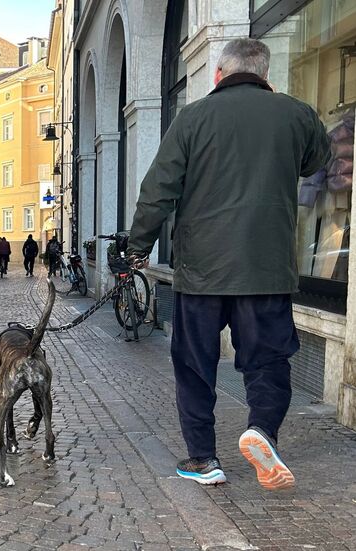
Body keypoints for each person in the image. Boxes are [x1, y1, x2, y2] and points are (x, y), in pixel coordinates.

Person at [125, 38, 330, 490]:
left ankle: (203, 459)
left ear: (218, 74)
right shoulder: (295, 113)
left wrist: (137, 248)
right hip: (266, 268)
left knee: (194, 364)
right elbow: (317, 161)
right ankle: (262, 431)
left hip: (202, 270)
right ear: (265, 74)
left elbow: (157, 190)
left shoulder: (192, 117)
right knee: (268, 360)